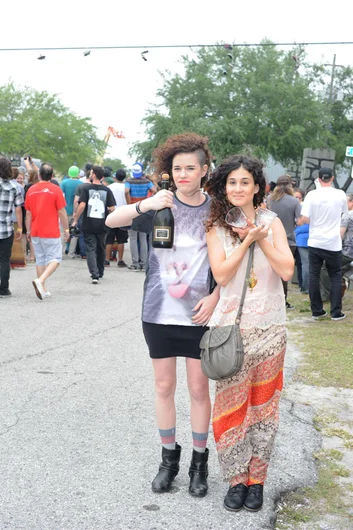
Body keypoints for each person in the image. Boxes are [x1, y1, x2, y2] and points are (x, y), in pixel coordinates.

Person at [106, 133, 221, 498]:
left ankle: (199, 464)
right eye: (177, 168)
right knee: (163, 387)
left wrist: (217, 296)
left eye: (191, 168)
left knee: (199, 388)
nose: (184, 174)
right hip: (157, 312)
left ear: (205, 170)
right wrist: (146, 205)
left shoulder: (218, 210)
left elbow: (234, 261)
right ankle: (168, 461)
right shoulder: (160, 204)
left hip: (199, 314)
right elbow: (111, 221)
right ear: (168, 172)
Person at [205, 155, 294, 513]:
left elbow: (287, 270)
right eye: (232, 183)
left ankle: (257, 480)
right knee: (230, 408)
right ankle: (235, 479)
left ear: (258, 186)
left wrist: (261, 239)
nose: (238, 188)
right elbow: (222, 276)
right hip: (231, 332)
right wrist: (244, 241)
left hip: (271, 328)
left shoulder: (272, 223)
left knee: (264, 409)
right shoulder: (216, 227)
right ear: (224, 188)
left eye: (245, 182)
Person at [298, 167, 348, 321]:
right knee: (335, 275)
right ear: (332, 178)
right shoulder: (340, 194)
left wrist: (315, 221)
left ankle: (317, 310)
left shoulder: (312, 195)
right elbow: (344, 213)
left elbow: (304, 218)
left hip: (315, 241)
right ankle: (335, 312)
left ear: (318, 179)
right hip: (333, 242)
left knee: (314, 275)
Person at [25, 163, 69, 300]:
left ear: (39, 175)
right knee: (55, 258)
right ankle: (41, 281)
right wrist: (66, 229)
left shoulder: (31, 190)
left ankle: (42, 289)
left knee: (41, 259)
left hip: (36, 230)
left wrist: (28, 230)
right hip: (51, 230)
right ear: (51, 176)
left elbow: (28, 213)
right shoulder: (56, 190)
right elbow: (61, 211)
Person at [71, 165, 115, 283]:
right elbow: (112, 208)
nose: (90, 175)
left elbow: (82, 205)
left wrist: (75, 219)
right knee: (101, 248)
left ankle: (94, 274)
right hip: (103, 224)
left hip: (88, 223)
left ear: (94, 175)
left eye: (91, 173)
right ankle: (100, 272)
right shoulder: (107, 190)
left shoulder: (86, 189)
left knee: (90, 249)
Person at [267, 175, 301, 309]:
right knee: (284, 273)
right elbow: (299, 220)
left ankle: (268, 298)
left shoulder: (270, 200)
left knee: (270, 271)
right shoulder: (294, 201)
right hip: (289, 241)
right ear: (290, 186)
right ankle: (282, 301)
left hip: (270, 240)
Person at [125, 162, 157, 271]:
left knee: (133, 238)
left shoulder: (129, 181)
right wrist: (147, 201)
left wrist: (130, 203)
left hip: (133, 209)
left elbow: (126, 191)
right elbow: (154, 191)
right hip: (143, 209)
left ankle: (135, 263)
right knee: (143, 238)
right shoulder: (147, 182)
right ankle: (144, 263)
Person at [0, 157, 23, 297]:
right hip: (6, 228)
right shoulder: (16, 187)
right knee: (4, 259)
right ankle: (3, 289)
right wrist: (19, 228)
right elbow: (18, 210)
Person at [105, 169, 130, 268]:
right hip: (123, 215)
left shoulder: (109, 187)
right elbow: (128, 202)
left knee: (109, 239)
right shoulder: (125, 188)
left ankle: (107, 260)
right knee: (121, 240)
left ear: (115, 177)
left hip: (111, 214)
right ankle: (120, 260)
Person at [60, 165, 82, 257]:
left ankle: (60, 252)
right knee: (74, 232)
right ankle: (71, 253)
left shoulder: (64, 183)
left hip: (64, 210)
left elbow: (61, 196)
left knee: (62, 231)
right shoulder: (81, 183)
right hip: (76, 211)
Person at [294, 188, 309, 294]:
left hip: (301, 239)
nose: (297, 199)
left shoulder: (303, 209)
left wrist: (296, 231)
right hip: (299, 239)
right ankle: (302, 284)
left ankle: (305, 287)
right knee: (301, 264)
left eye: (299, 197)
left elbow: (304, 226)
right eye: (296, 197)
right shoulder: (296, 208)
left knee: (304, 264)